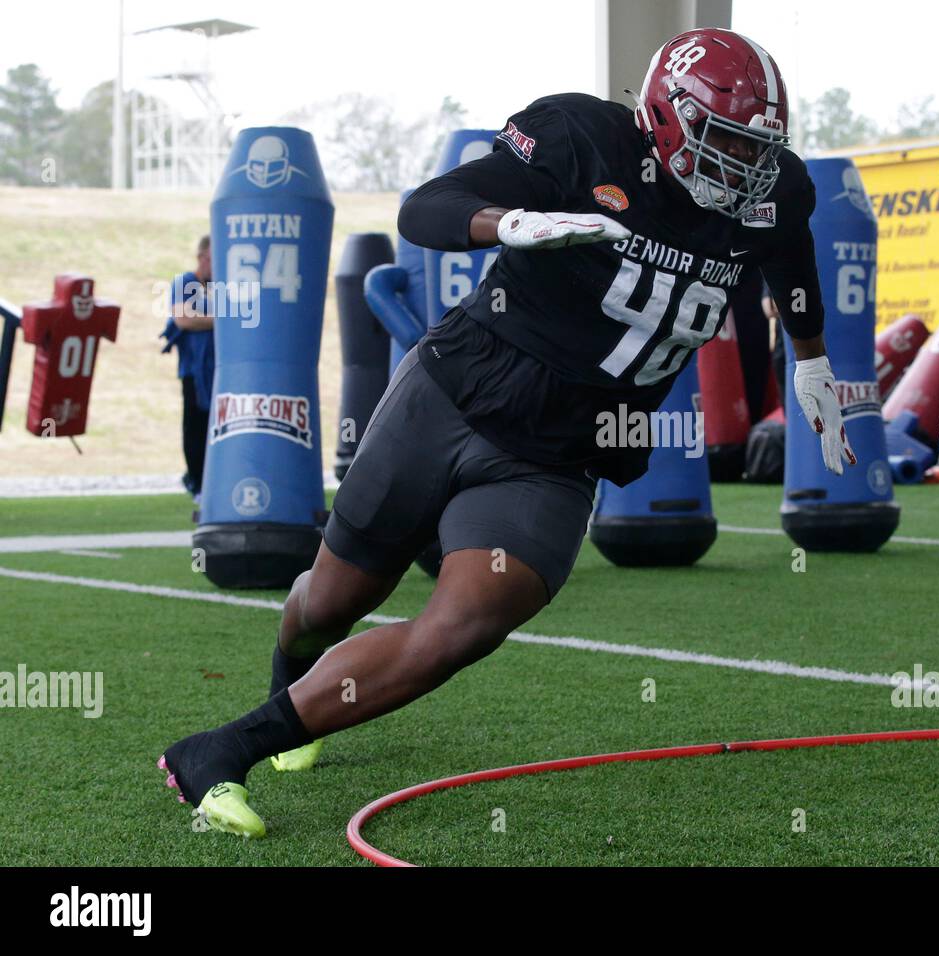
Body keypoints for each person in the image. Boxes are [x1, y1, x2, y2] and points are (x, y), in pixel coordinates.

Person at [158, 28, 857, 837]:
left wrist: (811, 364)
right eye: (726, 140)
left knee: (465, 625)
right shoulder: (582, 138)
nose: (745, 165)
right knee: (332, 600)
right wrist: (510, 223)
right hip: (455, 391)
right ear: (665, 118)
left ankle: (225, 749)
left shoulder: (775, 191)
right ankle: (290, 680)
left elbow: (792, 267)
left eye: (759, 147)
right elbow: (425, 208)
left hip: (563, 452)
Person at [159, 235, 215, 497]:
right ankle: (196, 481)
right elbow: (183, 319)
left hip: (220, 369)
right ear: (203, 257)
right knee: (195, 425)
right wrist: (221, 321)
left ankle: (212, 480)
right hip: (195, 369)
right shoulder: (185, 283)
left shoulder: (224, 287)